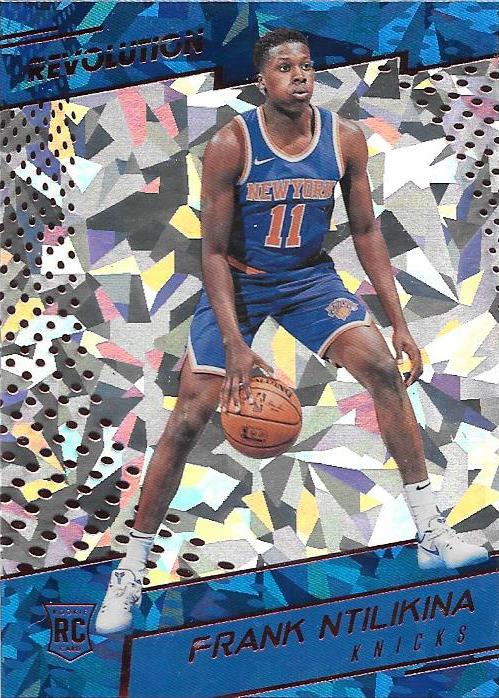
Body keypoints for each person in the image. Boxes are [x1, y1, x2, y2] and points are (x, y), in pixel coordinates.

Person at [95, 29, 488, 635]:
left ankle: (431, 531)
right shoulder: (231, 144)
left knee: (384, 370)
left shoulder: (344, 138)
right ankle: (130, 571)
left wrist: (399, 322)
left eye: (306, 65)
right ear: (262, 80)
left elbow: (365, 231)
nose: (300, 75)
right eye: (285, 67)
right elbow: (213, 252)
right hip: (241, 282)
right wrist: (234, 344)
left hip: (308, 280)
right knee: (190, 415)